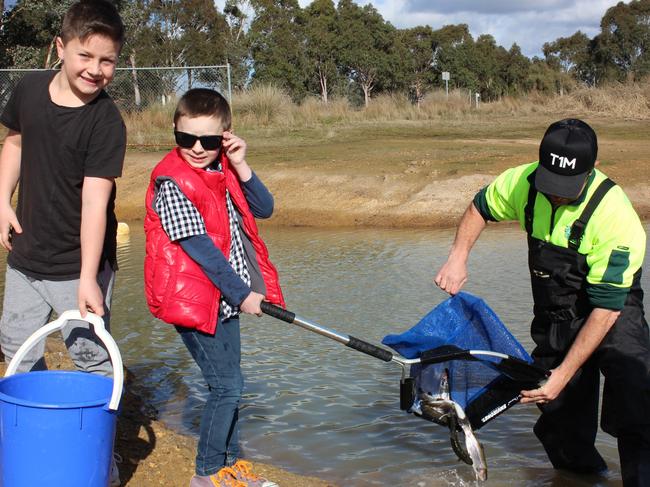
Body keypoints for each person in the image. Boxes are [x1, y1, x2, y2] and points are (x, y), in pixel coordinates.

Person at [434, 118, 650, 486]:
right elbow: (480, 207)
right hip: (556, 312)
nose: (556, 195)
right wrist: (458, 256)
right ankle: (585, 479)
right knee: (560, 419)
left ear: (593, 169)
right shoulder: (523, 181)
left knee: (636, 399)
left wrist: (562, 375)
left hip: (611, 310)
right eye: (550, 184)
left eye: (566, 188)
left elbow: (606, 310)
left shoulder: (615, 218)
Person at [0, 1, 126, 484]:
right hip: (25, 258)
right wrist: (3, 199)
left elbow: (96, 204)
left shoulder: (105, 121)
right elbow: (14, 142)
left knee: (91, 359)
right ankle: (34, 433)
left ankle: (98, 455)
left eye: (108, 60)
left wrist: (91, 278)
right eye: (85, 56)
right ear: (60, 47)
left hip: (79, 268)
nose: (96, 70)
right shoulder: (28, 89)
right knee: (15, 344)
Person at [144, 88, 285, 487]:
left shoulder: (223, 166)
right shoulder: (171, 181)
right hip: (192, 300)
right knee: (227, 386)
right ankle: (206, 475)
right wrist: (244, 294)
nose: (196, 148)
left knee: (231, 384)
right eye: (186, 138)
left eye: (208, 140)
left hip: (222, 301)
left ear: (225, 136)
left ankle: (228, 465)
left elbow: (264, 208)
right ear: (175, 131)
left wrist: (240, 164)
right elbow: (201, 251)